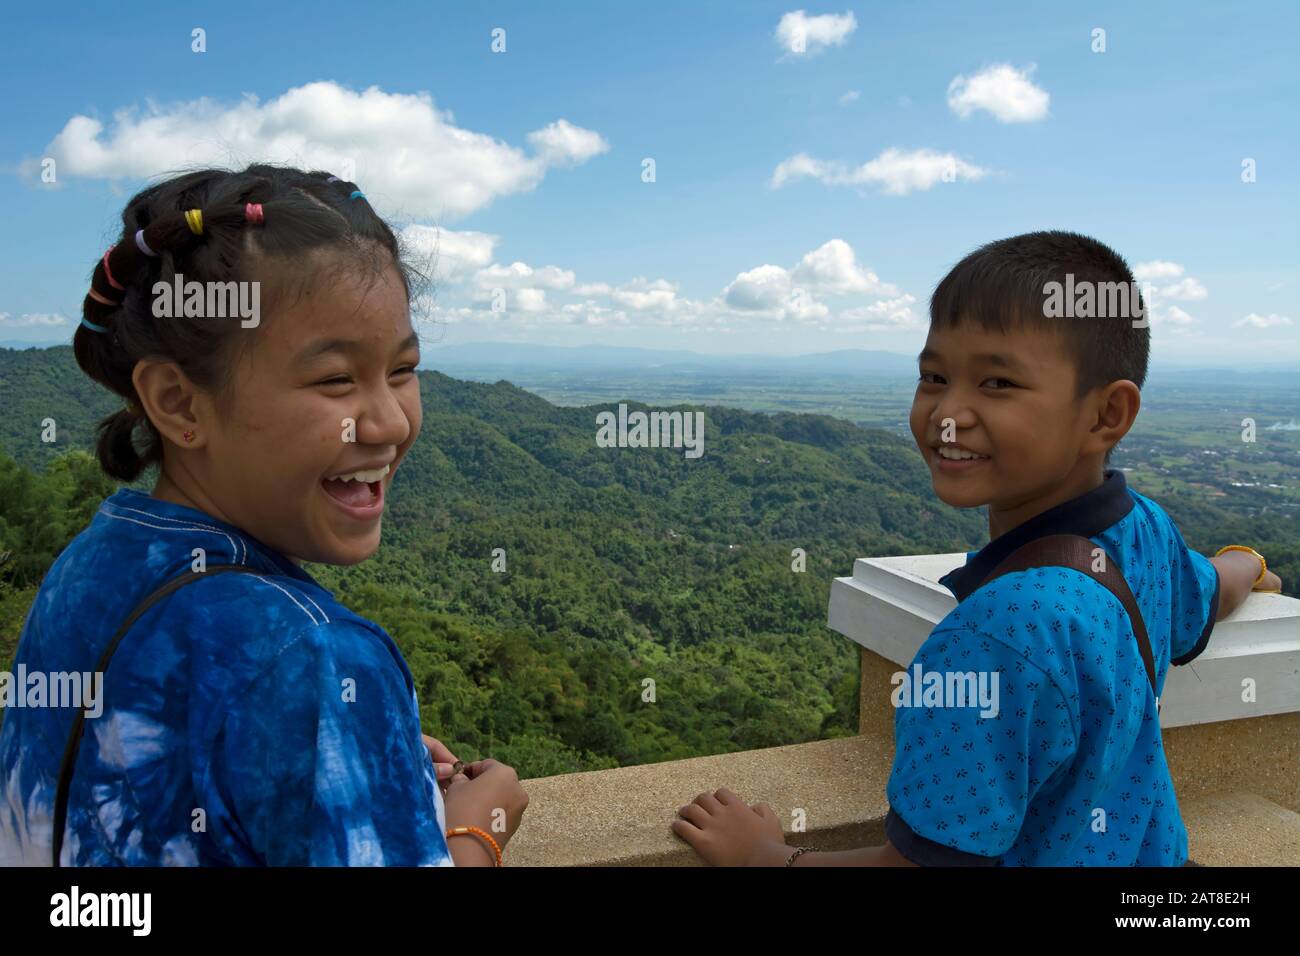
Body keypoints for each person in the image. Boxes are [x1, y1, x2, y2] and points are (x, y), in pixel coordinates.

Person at [673, 231, 1282, 866]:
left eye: (996, 382)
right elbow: (1211, 588)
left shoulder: (996, 638)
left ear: (1106, 415)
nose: (947, 413)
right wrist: (1253, 562)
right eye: (934, 376)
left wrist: (764, 857)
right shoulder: (1145, 532)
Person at [0, 164, 528, 866]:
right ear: (181, 404)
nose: (388, 422)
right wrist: (476, 833)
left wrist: (333, 751)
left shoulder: (89, 564)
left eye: (402, 370)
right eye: (336, 379)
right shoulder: (310, 653)